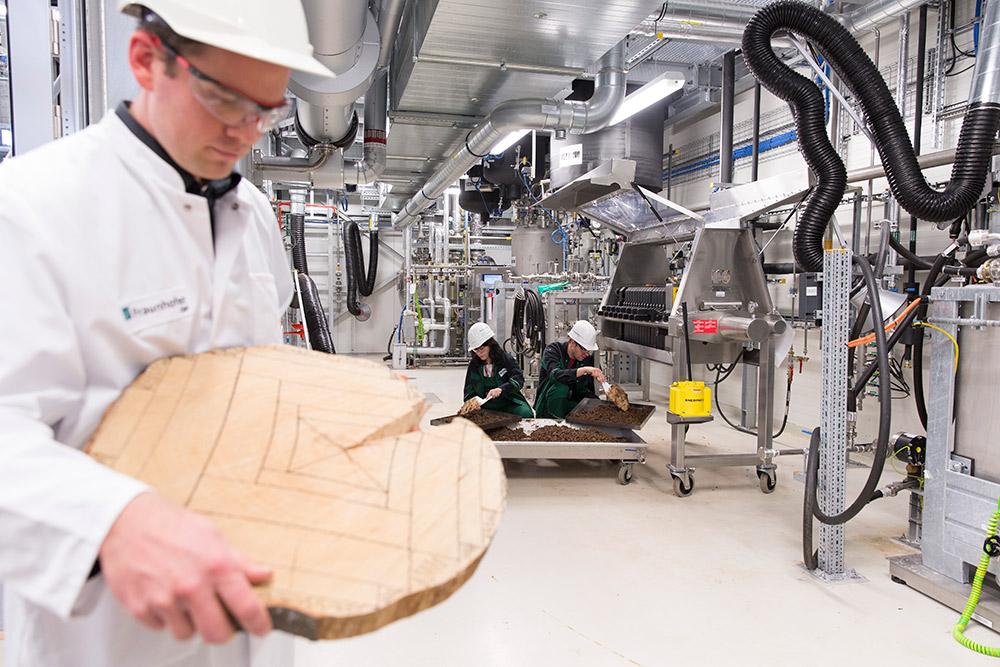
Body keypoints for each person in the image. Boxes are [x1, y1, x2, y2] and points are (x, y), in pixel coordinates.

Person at [0, 1, 334, 665]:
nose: (244, 132)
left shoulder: (255, 217)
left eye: (265, 111)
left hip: (251, 606)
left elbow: (254, 381)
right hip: (107, 635)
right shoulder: (31, 208)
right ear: (146, 60)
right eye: (225, 100)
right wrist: (110, 519)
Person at [533, 320, 605, 419]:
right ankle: (555, 425)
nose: (587, 354)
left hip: (571, 403)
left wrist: (598, 405)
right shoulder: (553, 350)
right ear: (572, 342)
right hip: (549, 406)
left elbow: (586, 390)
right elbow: (555, 376)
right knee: (561, 388)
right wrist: (583, 370)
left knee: (595, 407)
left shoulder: (587, 359)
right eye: (584, 349)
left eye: (589, 350)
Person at [463, 323, 533, 419]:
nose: (479, 353)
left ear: (490, 345)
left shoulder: (506, 359)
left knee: (525, 413)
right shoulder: (474, 365)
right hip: (486, 406)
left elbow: (518, 380)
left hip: (508, 403)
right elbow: (468, 389)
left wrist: (501, 389)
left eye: (482, 349)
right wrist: (473, 403)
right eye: (476, 350)